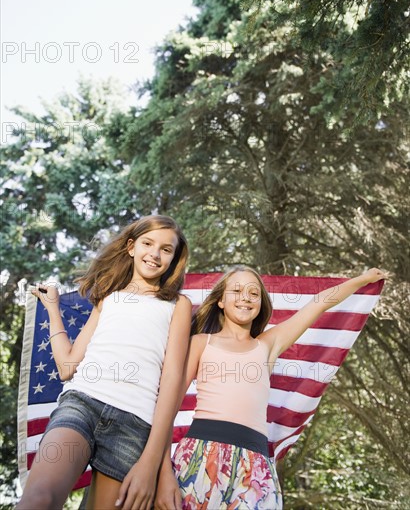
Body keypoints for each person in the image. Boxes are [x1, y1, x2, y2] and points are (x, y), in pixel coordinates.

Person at [154, 265, 388, 510]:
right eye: (236, 290)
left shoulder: (267, 345)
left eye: (254, 293)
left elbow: (318, 303)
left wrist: (363, 279)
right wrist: (163, 474)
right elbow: (167, 407)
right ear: (220, 301)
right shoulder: (201, 343)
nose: (245, 297)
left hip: (254, 466)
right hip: (201, 456)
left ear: (260, 305)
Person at [17, 215, 192, 510]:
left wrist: (153, 464)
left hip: (134, 425)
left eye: (166, 249)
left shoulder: (178, 305)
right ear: (131, 247)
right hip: (82, 404)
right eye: (148, 243)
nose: (155, 253)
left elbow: (172, 381)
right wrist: (53, 308)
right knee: (40, 499)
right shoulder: (109, 298)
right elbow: (67, 366)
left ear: (174, 258)